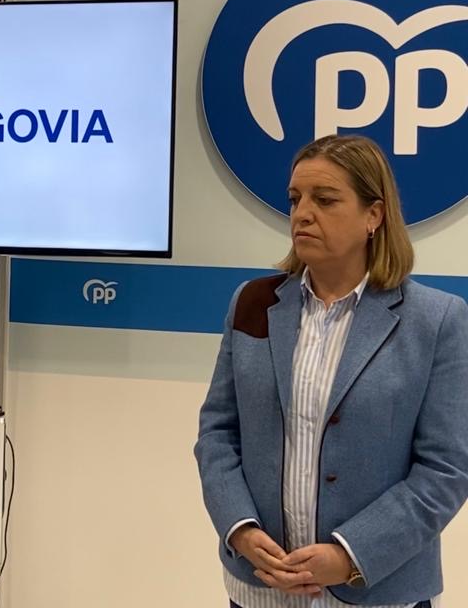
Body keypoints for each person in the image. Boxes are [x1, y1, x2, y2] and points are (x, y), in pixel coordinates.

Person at [195, 133, 468, 608]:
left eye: (324, 199)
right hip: (261, 587)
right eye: (295, 199)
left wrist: (350, 555)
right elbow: (218, 432)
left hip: (379, 590)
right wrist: (239, 528)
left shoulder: (436, 320)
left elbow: (446, 469)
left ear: (373, 215)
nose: (302, 213)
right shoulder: (252, 303)